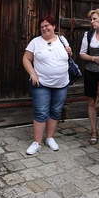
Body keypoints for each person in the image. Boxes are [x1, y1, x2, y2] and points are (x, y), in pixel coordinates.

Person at [23, 15, 71, 155]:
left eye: (47, 25)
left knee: (56, 111)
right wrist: (32, 73)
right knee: (41, 112)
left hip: (61, 83)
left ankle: (49, 138)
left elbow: (67, 56)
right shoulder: (35, 42)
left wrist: (69, 51)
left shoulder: (62, 39)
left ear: (54, 26)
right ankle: (36, 142)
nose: (44, 28)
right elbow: (26, 58)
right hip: (41, 83)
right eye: (42, 26)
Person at [79, 9, 99, 146]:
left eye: (95, 19)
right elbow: (82, 54)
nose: (92, 22)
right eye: (91, 19)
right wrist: (94, 58)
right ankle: (93, 131)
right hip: (91, 72)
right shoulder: (88, 35)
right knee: (92, 102)